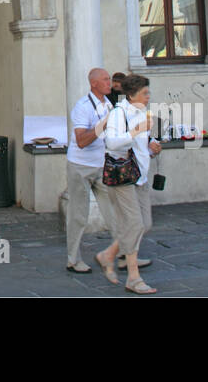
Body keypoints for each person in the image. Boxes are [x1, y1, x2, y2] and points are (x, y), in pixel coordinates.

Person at [97, 74, 163, 294]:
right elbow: (111, 143)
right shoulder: (118, 113)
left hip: (140, 176)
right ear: (132, 94)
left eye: (148, 92)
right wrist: (136, 131)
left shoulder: (141, 112)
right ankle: (134, 278)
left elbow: (141, 141)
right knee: (134, 225)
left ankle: (108, 254)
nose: (148, 96)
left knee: (144, 224)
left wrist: (152, 143)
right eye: (145, 93)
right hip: (123, 176)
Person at [65, 67, 116, 274]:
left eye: (109, 79)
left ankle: (125, 253)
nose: (109, 83)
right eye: (105, 79)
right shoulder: (83, 107)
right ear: (93, 83)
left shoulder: (109, 104)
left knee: (114, 211)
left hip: (102, 165)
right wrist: (102, 126)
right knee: (79, 215)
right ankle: (73, 259)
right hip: (80, 166)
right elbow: (81, 140)